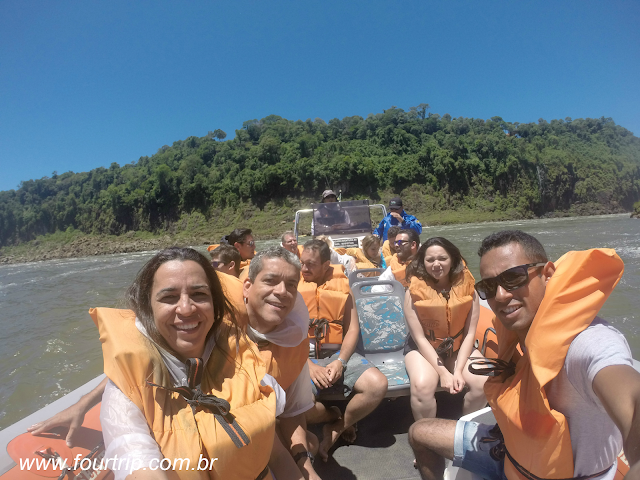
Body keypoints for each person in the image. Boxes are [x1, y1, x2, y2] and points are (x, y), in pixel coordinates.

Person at [409, 230, 640, 480]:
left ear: (548, 275)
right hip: (508, 451)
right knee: (419, 432)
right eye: (489, 285)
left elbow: (631, 398)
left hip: (551, 474)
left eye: (514, 277)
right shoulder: (520, 331)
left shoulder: (588, 343)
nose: (500, 295)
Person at [92, 247, 293, 480]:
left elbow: (275, 452)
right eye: (168, 297)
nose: (186, 309)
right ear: (148, 309)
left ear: (215, 305)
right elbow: (135, 459)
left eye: (199, 294)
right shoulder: (125, 394)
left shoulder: (243, 359)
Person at [299, 240, 388, 461]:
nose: (304, 269)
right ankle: (332, 414)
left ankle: (338, 427)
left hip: (336, 354)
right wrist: (308, 365)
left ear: (326, 264)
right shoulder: (293, 288)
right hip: (303, 358)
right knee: (301, 405)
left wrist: (341, 361)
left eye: (310, 265)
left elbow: (352, 330)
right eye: (302, 263)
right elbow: (286, 335)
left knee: (377, 385)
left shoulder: (342, 287)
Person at [241, 246, 322, 480]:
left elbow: (292, 412)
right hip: (231, 442)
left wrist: (305, 466)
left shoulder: (294, 342)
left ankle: (329, 418)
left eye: (291, 285)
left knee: (309, 445)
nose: (282, 291)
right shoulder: (217, 333)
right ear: (247, 287)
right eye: (270, 281)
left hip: (269, 428)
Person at [403, 237, 487, 422]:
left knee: (483, 382)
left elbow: (469, 333)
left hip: (457, 346)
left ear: (453, 260)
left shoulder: (469, 291)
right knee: (422, 387)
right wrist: (443, 373)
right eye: (430, 260)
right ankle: (427, 436)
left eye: (442, 258)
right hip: (423, 349)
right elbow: (420, 338)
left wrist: (457, 372)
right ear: (422, 262)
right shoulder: (412, 294)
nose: (436, 264)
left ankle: (463, 430)